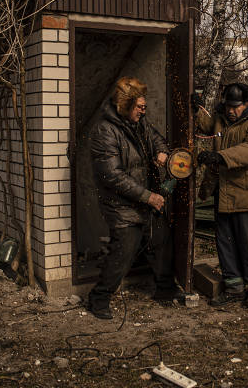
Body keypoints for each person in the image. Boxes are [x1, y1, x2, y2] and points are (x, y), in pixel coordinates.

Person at [86, 76, 182, 320]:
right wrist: (148, 197)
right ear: (124, 105)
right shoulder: (104, 131)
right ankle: (99, 298)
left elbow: (155, 138)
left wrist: (162, 152)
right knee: (123, 252)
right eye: (139, 106)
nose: (143, 110)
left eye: (144, 106)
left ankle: (165, 289)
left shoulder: (139, 123)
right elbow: (112, 176)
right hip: (122, 204)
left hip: (145, 198)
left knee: (160, 241)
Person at [193, 82, 248, 308]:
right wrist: (197, 109)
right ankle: (234, 287)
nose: (231, 110)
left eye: (236, 106)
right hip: (223, 193)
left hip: (247, 195)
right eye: (228, 106)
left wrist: (220, 156)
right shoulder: (221, 120)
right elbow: (208, 126)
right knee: (225, 242)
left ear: (246, 104)